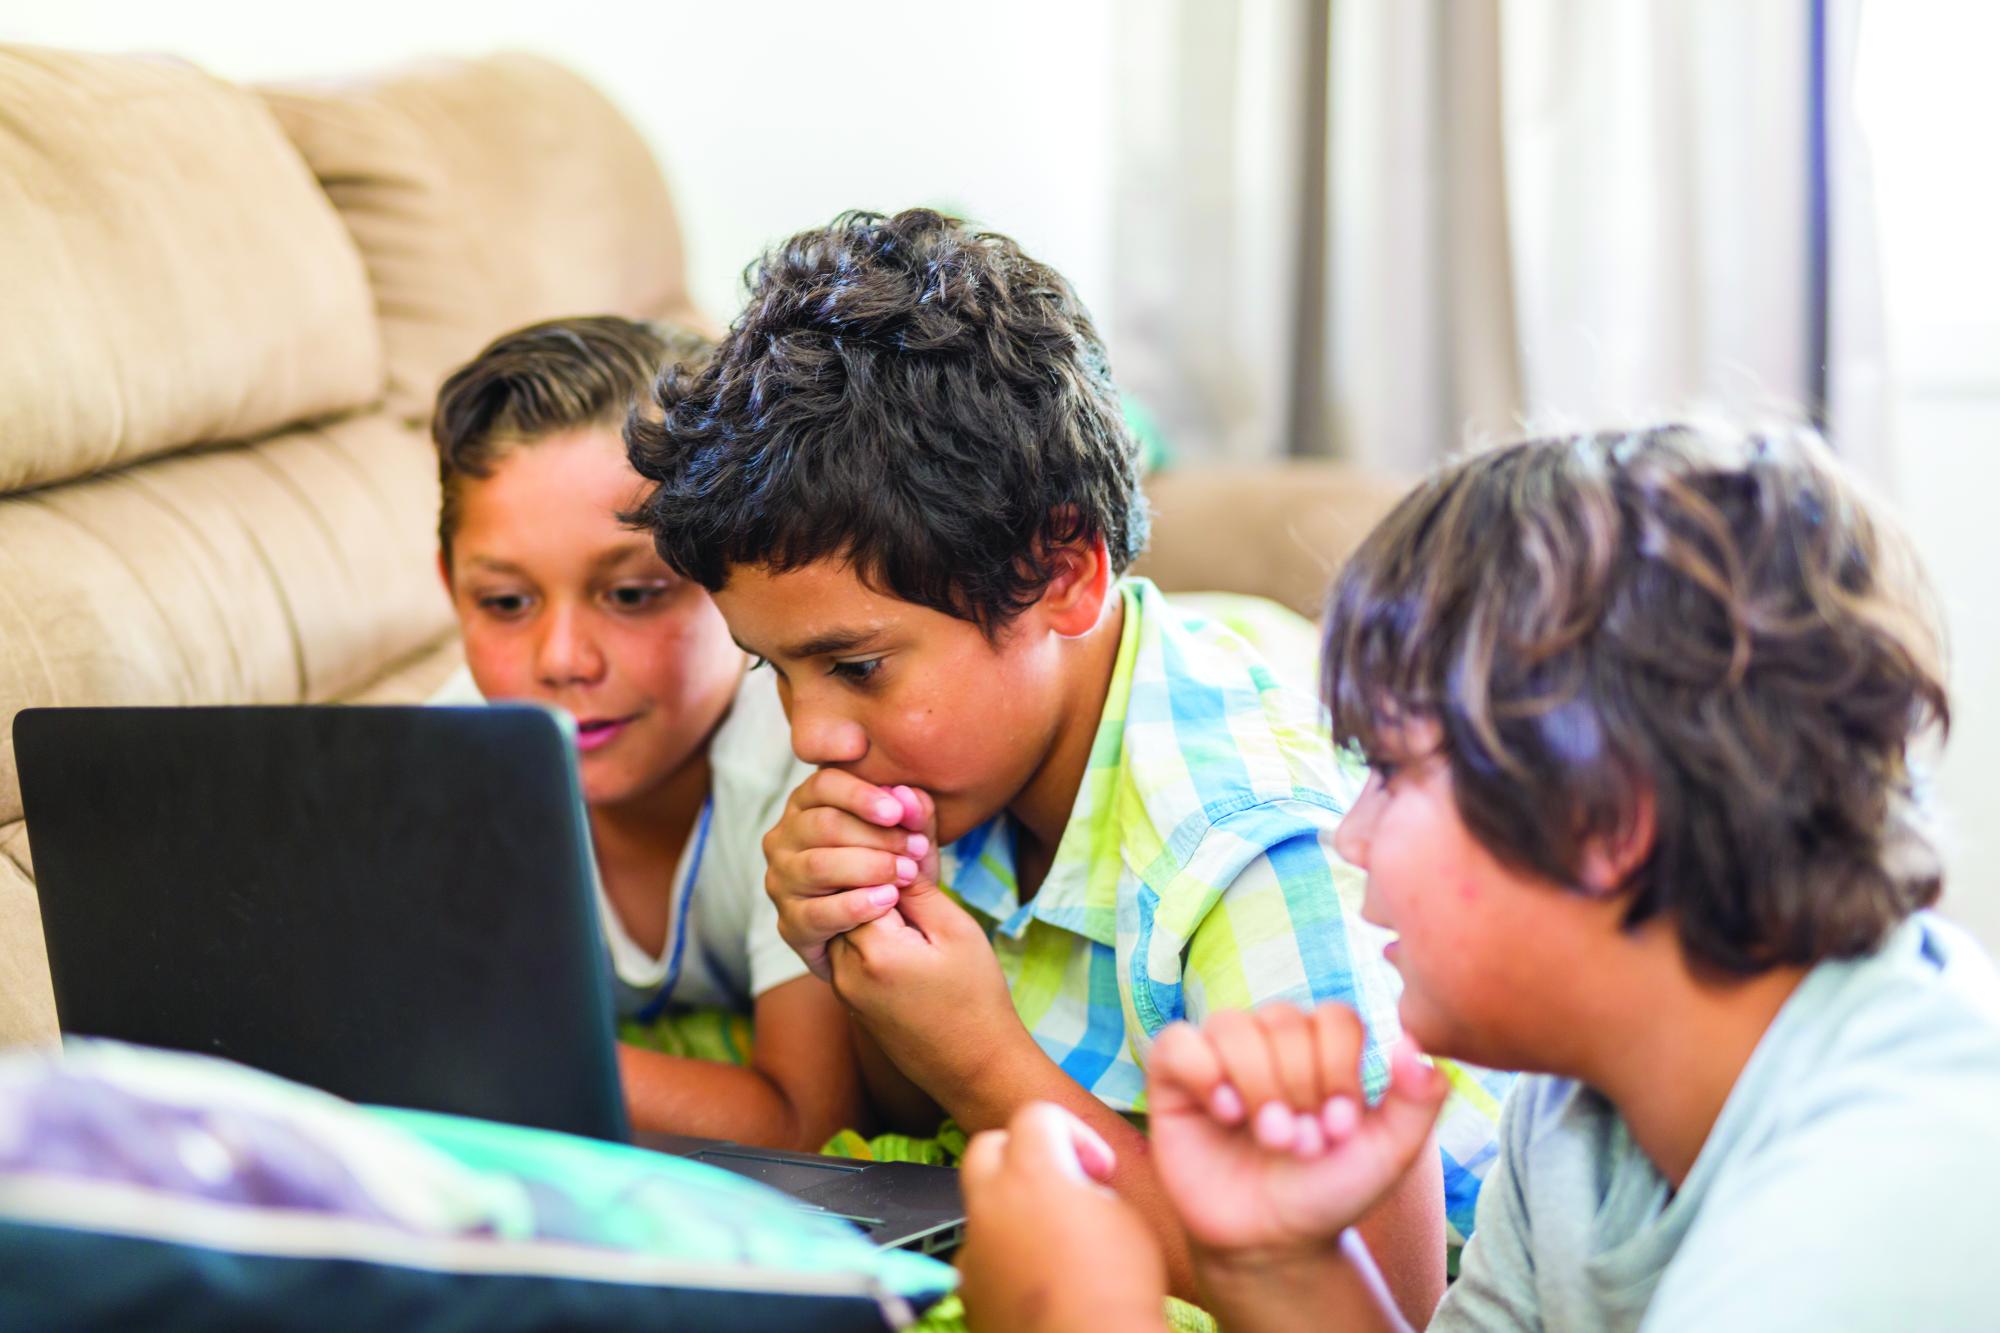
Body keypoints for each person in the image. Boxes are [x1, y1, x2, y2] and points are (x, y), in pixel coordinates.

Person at [625, 209, 1508, 1316]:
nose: (813, 737)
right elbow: (912, 1120)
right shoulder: (967, 764)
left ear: (1063, 576)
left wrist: (982, 1059)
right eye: (774, 672)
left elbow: (1381, 1291)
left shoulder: (1244, 842)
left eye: (854, 665)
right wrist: (874, 982)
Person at [953, 422, 2000, 1331]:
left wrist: (1079, 1318)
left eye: (1394, 774)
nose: (1348, 837)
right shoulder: (1581, 1110)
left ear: (1603, 815)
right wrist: (1278, 1261)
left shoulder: (1879, 1197)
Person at [430, 315, 866, 1150]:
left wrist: (504, 1058)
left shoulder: (808, 753)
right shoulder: (442, 769)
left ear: (733, 575)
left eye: (632, 594)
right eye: (505, 604)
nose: (561, 661)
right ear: (451, 586)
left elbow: (812, 1122)